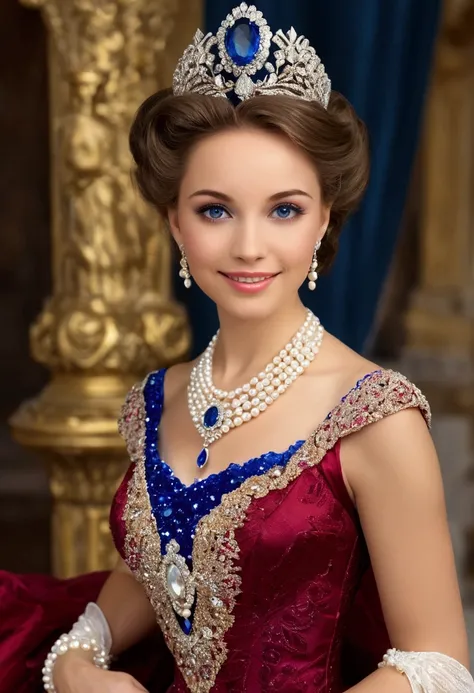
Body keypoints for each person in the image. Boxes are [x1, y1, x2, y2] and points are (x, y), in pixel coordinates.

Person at [1, 4, 473, 693]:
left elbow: (441, 665)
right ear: (174, 222)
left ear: (322, 220)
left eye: (284, 209)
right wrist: (80, 653)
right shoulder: (155, 401)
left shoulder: (376, 417)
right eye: (215, 209)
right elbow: (162, 564)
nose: (249, 246)